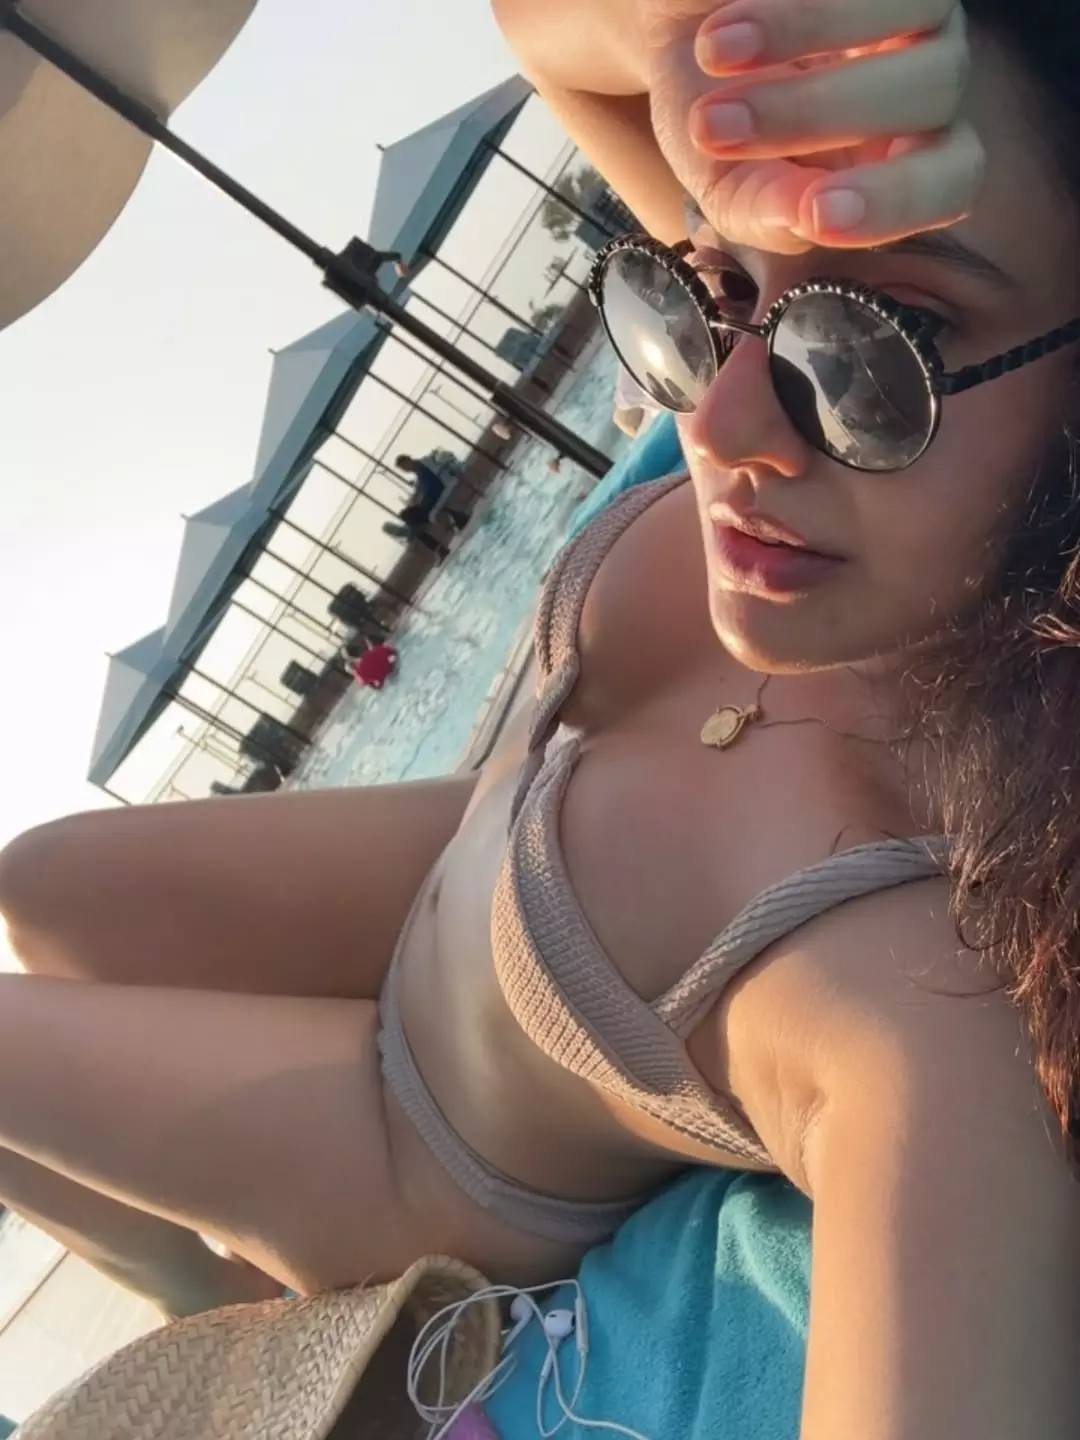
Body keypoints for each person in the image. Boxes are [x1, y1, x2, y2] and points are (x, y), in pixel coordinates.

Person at [0, 6, 1079, 1439]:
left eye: (882, 349)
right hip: (471, 862)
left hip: (404, 1137)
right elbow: (560, 34)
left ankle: (217, 1287)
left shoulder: (910, 984)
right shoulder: (803, 439)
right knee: (44, 887)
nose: (719, 422)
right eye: (704, 288)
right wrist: (708, 45)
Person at [396, 453, 469, 531]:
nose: (405, 470)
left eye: (404, 466)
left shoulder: (425, 463)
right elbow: (418, 489)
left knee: (419, 513)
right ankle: (456, 516)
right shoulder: (418, 475)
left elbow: (445, 463)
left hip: (438, 488)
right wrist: (414, 499)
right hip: (432, 494)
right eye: (403, 469)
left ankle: (457, 516)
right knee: (408, 515)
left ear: (408, 460)